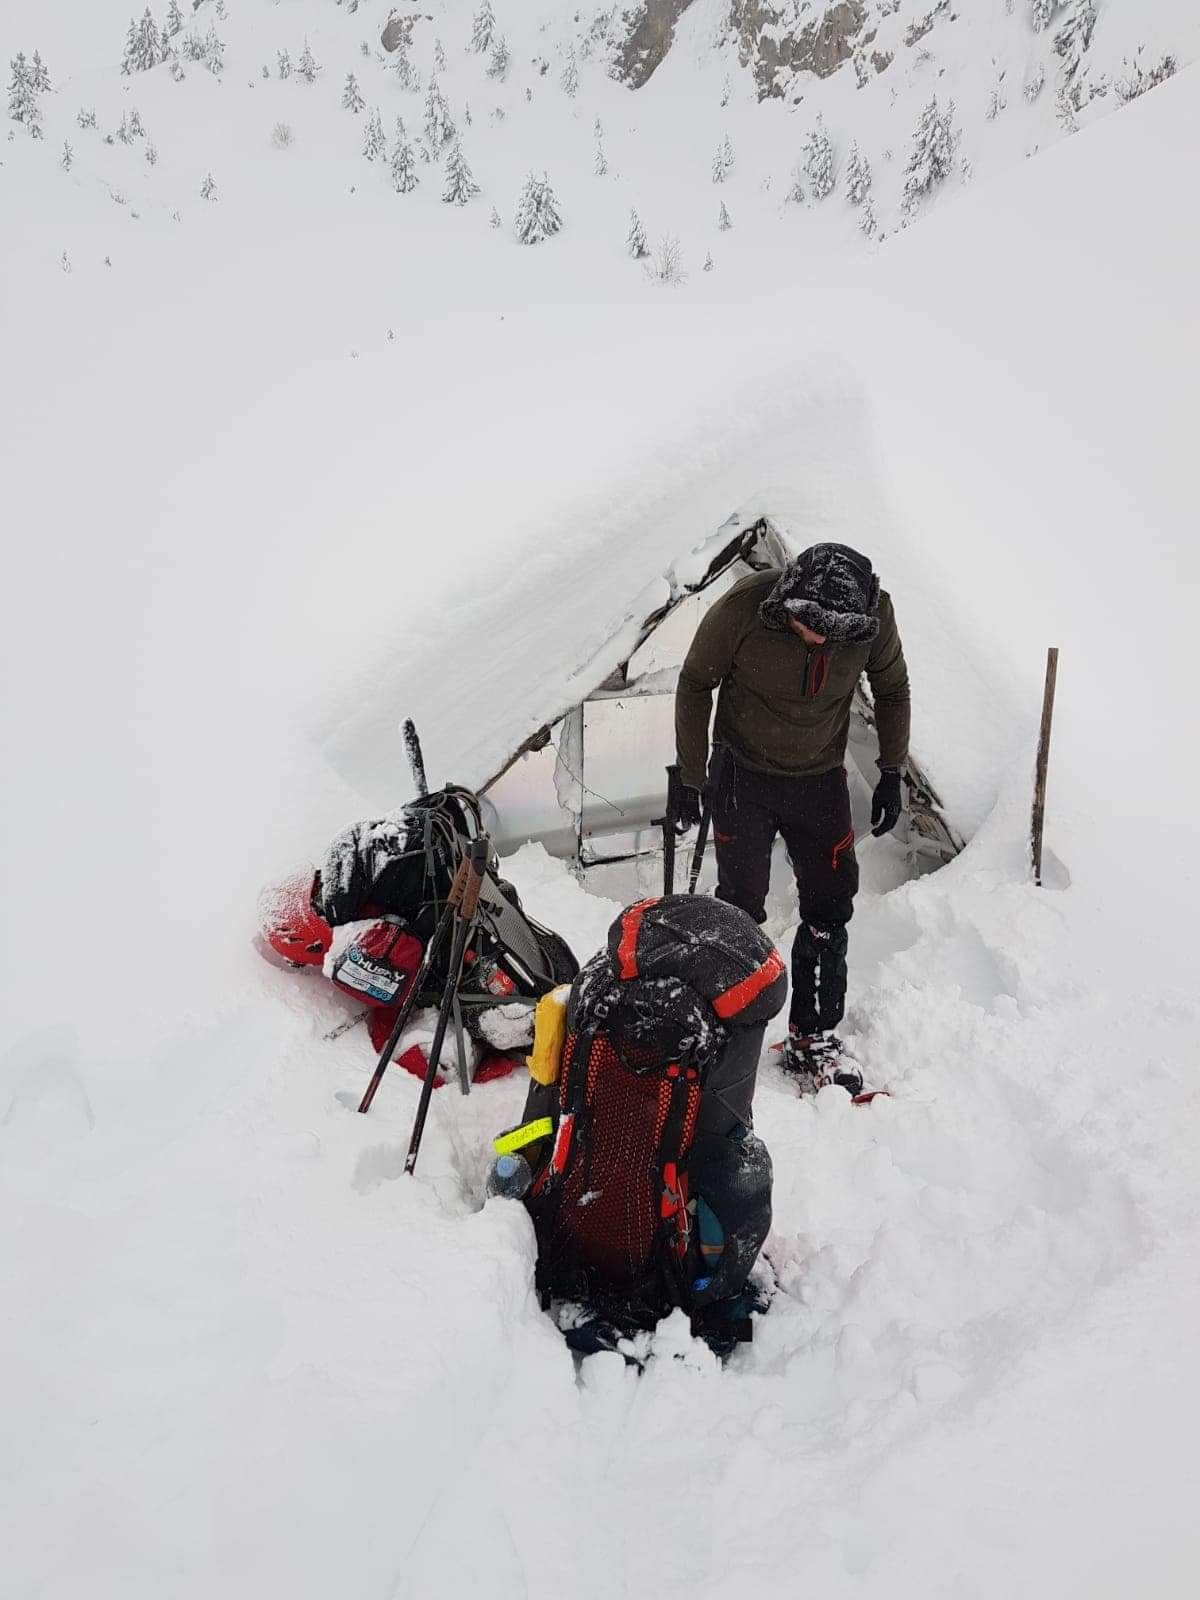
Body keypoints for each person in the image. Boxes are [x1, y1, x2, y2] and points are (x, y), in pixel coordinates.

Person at [674, 542, 910, 1091]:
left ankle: (813, 1035)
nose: (819, 637)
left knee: (831, 904)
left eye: (832, 631)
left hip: (819, 776)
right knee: (739, 906)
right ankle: (728, 1026)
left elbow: (892, 688)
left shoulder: (875, 616)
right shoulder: (745, 606)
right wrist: (690, 776)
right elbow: (694, 682)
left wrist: (892, 769)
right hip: (742, 774)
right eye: (809, 623)